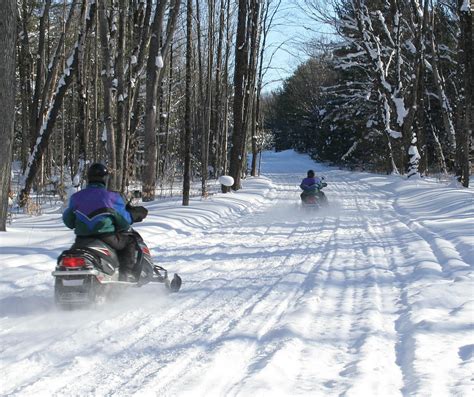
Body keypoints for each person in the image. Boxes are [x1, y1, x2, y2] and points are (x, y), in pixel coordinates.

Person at [62, 163, 137, 281]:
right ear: (105, 179)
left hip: (82, 240)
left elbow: (68, 221)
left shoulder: (76, 197)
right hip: (106, 238)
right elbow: (124, 221)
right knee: (130, 242)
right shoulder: (112, 197)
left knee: (67, 258)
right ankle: (126, 277)